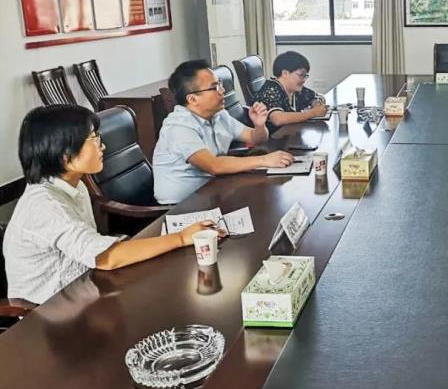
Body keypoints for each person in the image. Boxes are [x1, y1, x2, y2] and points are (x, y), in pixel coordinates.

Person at [3, 105, 220, 304]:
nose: (103, 146)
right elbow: (106, 258)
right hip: (44, 313)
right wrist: (181, 238)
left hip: (82, 290)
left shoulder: (75, 186)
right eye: (94, 139)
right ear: (66, 156)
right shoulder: (44, 205)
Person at [152, 60, 294, 204]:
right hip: (180, 207)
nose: (222, 90)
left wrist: (259, 126)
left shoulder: (219, 115)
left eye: (220, 84)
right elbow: (214, 166)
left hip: (212, 192)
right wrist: (264, 160)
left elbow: (256, 138)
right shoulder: (178, 127)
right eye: (214, 87)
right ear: (193, 99)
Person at [252, 51, 328, 134]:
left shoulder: (295, 89)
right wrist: (312, 113)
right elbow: (278, 119)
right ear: (285, 73)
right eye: (301, 75)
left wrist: (316, 104)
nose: (304, 80)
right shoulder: (271, 90)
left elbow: (314, 97)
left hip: (289, 135)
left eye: (305, 76)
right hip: (272, 139)